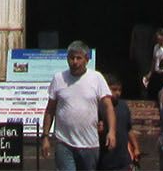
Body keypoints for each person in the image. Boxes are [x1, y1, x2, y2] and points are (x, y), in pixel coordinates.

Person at [41, 41, 112, 171]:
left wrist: (111, 131)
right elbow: (50, 109)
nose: (75, 62)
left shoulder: (96, 78)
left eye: (78, 58)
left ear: (87, 59)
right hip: (64, 143)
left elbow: (108, 106)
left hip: (89, 144)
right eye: (71, 58)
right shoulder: (59, 78)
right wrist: (45, 136)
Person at [98, 78, 140, 171]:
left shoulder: (123, 105)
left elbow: (128, 129)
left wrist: (136, 148)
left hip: (123, 157)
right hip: (105, 157)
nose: (117, 93)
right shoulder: (99, 106)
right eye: (114, 89)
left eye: (119, 90)